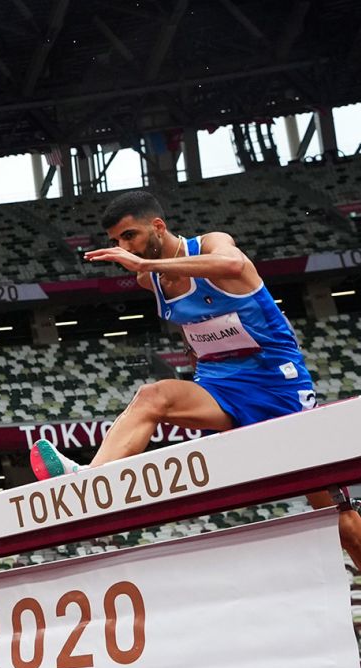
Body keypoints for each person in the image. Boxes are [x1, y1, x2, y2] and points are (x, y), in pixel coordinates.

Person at [30, 190, 361, 571]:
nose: (124, 248)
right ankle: (87, 481)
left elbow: (234, 264)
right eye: (116, 242)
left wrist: (146, 263)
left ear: (158, 227)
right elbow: (195, 328)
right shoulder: (148, 279)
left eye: (129, 236)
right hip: (220, 387)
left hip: (277, 387)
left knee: (341, 519)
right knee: (154, 396)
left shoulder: (210, 244)